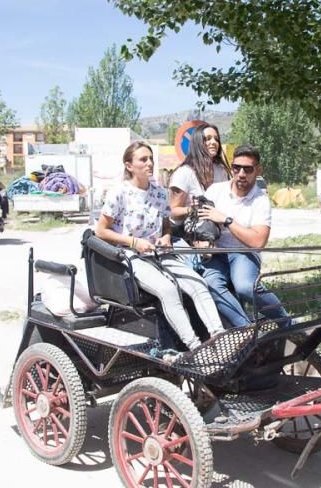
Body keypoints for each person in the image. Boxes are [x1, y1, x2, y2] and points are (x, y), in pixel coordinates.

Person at [94, 142, 224, 351]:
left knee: (197, 284)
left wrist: (166, 238)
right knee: (168, 290)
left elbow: (165, 226)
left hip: (160, 253)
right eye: (143, 159)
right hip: (129, 257)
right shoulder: (119, 193)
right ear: (129, 165)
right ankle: (194, 346)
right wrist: (134, 242)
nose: (150, 163)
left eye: (151, 158)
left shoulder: (160, 193)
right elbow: (100, 231)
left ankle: (219, 337)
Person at [197, 145, 290, 327]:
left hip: (244, 253)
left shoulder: (261, 201)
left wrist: (226, 220)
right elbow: (198, 226)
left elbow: (257, 242)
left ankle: (286, 323)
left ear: (258, 170)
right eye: (236, 168)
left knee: (245, 286)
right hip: (215, 254)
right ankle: (246, 330)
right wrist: (201, 243)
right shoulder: (215, 191)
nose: (241, 173)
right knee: (210, 284)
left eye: (247, 169)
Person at [168, 123, 231, 229]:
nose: (213, 142)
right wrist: (192, 209)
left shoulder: (221, 171)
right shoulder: (184, 173)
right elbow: (171, 212)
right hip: (189, 233)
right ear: (197, 142)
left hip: (219, 230)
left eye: (216, 139)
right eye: (208, 139)